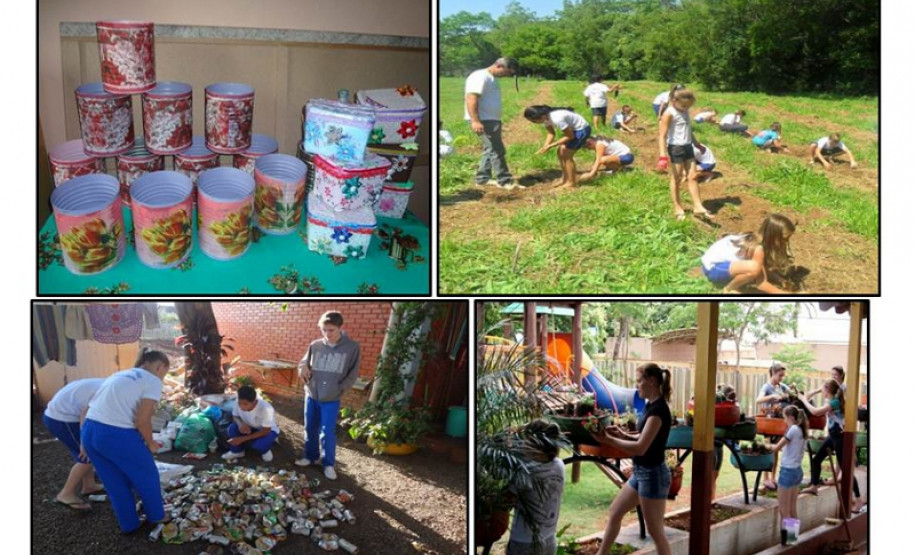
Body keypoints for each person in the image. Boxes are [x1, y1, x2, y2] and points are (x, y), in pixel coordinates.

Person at [80, 348, 170, 534]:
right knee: (147, 474)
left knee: (114, 481)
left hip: (90, 430)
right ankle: (156, 516)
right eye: (165, 373)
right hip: (115, 433)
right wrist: (151, 443)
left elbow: (89, 407)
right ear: (160, 367)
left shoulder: (120, 374)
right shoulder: (152, 380)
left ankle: (129, 524)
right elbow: (142, 420)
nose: (163, 378)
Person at [590, 363, 673, 555]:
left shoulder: (659, 411)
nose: (636, 386)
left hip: (653, 475)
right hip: (642, 473)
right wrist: (619, 433)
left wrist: (609, 440)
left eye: (639, 381)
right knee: (615, 512)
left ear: (651, 381)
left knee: (656, 532)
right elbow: (642, 438)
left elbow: (640, 448)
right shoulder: (651, 406)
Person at [295, 311, 361, 480]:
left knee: (328, 431)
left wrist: (339, 389)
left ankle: (328, 464)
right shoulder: (315, 345)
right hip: (312, 394)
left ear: (340, 328)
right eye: (324, 330)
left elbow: (352, 374)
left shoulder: (352, 348)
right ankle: (310, 457)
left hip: (331, 398)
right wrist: (302, 367)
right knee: (310, 428)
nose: (327, 334)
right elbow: (304, 362)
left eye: (331, 330)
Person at [799, 380, 864, 512]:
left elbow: (816, 412)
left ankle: (858, 500)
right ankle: (814, 486)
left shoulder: (835, 402)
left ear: (828, 390)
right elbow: (813, 400)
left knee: (846, 472)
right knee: (816, 460)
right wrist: (807, 395)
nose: (821, 391)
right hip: (833, 437)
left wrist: (803, 400)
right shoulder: (831, 401)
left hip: (840, 439)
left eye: (822, 389)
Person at [43, 378, 106, 511]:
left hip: (62, 413)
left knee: (87, 453)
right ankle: (66, 493)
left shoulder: (111, 383)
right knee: (88, 454)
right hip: (60, 418)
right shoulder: (108, 391)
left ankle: (89, 485)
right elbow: (86, 414)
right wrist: (84, 442)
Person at [505, 420, 566, 555]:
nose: (521, 444)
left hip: (523, 542)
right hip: (549, 538)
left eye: (525, 441)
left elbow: (506, 499)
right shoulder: (559, 465)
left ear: (534, 444)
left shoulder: (526, 470)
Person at [700, 214, 798, 294]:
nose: (786, 242)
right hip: (713, 269)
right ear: (774, 236)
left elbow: (763, 270)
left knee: (755, 268)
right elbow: (761, 283)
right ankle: (729, 289)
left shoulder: (757, 239)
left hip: (714, 265)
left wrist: (780, 280)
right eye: (785, 239)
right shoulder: (757, 248)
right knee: (754, 269)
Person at [657, 84, 712, 220]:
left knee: (692, 176)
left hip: (688, 147)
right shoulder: (669, 113)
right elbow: (662, 136)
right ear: (675, 101)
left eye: (689, 106)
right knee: (676, 178)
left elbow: (688, 130)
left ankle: (698, 206)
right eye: (685, 106)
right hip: (676, 148)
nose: (687, 109)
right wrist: (663, 156)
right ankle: (677, 207)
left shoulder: (684, 111)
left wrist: (697, 143)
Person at [464, 57, 521, 189]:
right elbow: (471, 98)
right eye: (507, 72)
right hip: (483, 120)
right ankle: (505, 181)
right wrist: (475, 121)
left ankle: (482, 179)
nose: (507, 75)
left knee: (489, 149)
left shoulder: (492, 77)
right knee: (497, 149)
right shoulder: (480, 76)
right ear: (499, 66)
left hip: (491, 119)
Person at [524, 105, 592, 188]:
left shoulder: (557, 118)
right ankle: (565, 178)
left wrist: (551, 145)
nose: (534, 123)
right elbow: (551, 133)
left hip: (581, 129)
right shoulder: (545, 118)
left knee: (567, 155)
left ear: (539, 117)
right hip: (572, 131)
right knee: (560, 152)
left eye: (533, 121)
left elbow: (570, 136)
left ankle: (571, 183)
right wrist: (545, 146)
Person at [769, 405, 808, 525]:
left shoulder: (793, 429)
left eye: (784, 418)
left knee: (784, 511)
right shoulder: (802, 430)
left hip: (788, 471)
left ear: (790, 417)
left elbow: (776, 447)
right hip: (797, 471)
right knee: (792, 509)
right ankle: (793, 540)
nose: (784, 420)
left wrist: (762, 445)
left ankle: (787, 541)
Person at [221, 385, 280, 462]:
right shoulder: (238, 402)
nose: (241, 407)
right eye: (240, 403)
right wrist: (240, 424)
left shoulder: (266, 409)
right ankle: (237, 451)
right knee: (232, 428)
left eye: (245, 404)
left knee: (259, 445)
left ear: (254, 401)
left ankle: (265, 450)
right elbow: (235, 416)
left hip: (267, 431)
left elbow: (266, 431)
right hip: (249, 426)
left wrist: (241, 439)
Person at [756, 363, 791, 490]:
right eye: (780, 375)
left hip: (779, 423)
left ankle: (773, 478)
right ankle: (765, 479)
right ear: (773, 373)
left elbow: (791, 394)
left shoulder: (782, 386)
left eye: (783, 376)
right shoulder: (767, 387)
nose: (782, 378)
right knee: (768, 450)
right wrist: (772, 396)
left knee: (775, 451)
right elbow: (758, 400)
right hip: (769, 424)